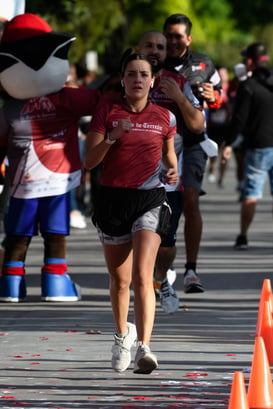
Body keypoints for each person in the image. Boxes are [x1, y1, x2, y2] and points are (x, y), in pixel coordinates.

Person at [84, 52, 178, 374]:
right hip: (112, 202)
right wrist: (112, 138)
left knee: (141, 275)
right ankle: (123, 335)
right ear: (123, 80)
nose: (137, 79)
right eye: (131, 74)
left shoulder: (165, 117)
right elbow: (89, 162)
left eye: (143, 74)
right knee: (119, 281)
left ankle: (144, 347)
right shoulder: (107, 112)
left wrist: (173, 171)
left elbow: (169, 156)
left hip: (150, 199)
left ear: (152, 81)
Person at [0, 13, 100, 302]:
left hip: (22, 185)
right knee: (56, 235)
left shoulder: (11, 108)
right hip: (57, 183)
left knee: (19, 235)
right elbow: (101, 101)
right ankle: (55, 283)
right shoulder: (68, 97)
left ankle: (10, 284)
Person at [136, 30, 205, 313]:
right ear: (138, 47)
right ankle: (136, 294)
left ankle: (160, 278)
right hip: (126, 182)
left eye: (160, 47)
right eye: (149, 45)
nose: (155, 51)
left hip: (166, 182)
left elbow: (198, 124)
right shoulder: (124, 80)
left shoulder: (178, 82)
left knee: (165, 245)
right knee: (132, 242)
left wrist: (178, 96)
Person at [163, 13, 222, 293]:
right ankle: (164, 263)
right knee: (164, 204)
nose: (173, 41)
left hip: (194, 140)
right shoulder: (153, 61)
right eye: (169, 35)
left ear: (189, 38)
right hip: (161, 142)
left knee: (190, 201)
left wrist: (214, 97)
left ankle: (191, 270)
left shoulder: (204, 63)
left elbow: (219, 95)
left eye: (178, 36)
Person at [222, 42, 273, 250]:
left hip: (258, 146)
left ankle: (243, 236)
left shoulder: (248, 86)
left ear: (250, 61)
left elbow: (239, 119)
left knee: (251, 193)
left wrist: (228, 143)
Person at [206, 66, 232, 187]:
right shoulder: (213, 87)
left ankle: (221, 176)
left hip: (226, 126)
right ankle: (212, 166)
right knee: (213, 151)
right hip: (213, 124)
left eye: (224, 74)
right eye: (219, 74)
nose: (222, 76)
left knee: (224, 153)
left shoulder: (232, 88)